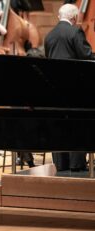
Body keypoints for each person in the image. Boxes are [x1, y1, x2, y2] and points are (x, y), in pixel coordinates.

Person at [44, 4, 92, 171]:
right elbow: (86, 57)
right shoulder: (75, 31)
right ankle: (77, 164)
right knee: (78, 125)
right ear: (75, 18)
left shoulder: (49, 36)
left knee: (58, 126)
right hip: (75, 90)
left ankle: (61, 163)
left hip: (54, 92)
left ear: (59, 16)